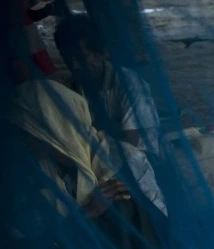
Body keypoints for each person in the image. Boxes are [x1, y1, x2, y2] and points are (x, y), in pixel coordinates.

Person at [4, 79, 170, 249]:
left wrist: (90, 214)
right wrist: (86, 213)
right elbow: (24, 231)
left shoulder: (122, 158)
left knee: (122, 201)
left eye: (27, 131)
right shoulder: (39, 168)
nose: (22, 140)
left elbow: (157, 217)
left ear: (53, 128)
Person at [54, 14, 161, 157]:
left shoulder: (129, 84)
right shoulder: (71, 86)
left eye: (82, 57)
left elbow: (130, 144)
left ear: (101, 53)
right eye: (67, 57)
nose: (74, 65)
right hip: (98, 156)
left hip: (138, 159)